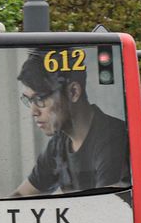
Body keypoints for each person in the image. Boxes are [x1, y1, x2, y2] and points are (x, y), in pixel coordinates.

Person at [12, 50, 128, 196]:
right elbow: (21, 196)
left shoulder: (114, 139)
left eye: (40, 99)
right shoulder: (59, 144)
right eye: (29, 100)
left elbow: (106, 208)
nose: (33, 111)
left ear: (73, 92)